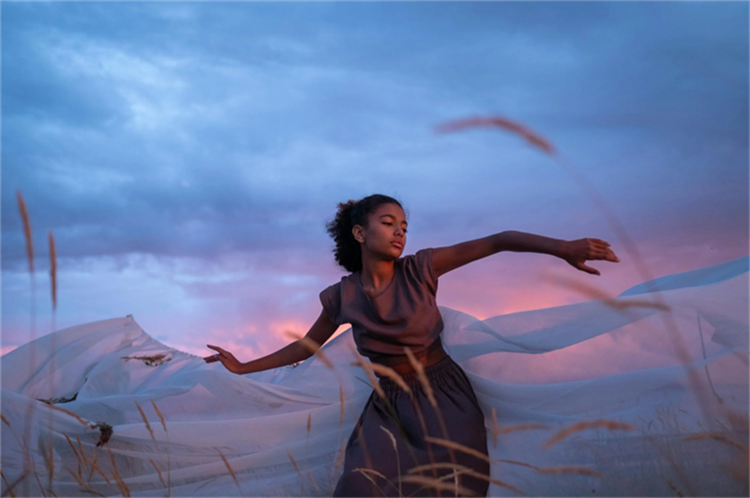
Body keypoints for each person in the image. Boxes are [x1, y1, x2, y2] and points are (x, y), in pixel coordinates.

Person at [204, 193, 620, 497]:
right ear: (359, 232)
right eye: (389, 223)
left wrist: (562, 247)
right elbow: (305, 347)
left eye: (404, 226)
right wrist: (242, 367)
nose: (400, 232)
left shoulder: (420, 269)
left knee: (449, 491)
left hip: (446, 400)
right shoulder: (341, 296)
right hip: (389, 407)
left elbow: (498, 241)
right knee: (358, 487)